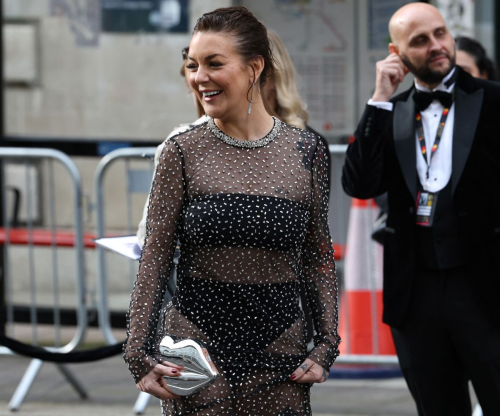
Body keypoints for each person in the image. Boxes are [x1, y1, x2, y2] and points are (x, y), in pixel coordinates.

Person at [124, 6, 340, 416]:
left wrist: (327, 344)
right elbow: (153, 257)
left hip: (280, 349)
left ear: (254, 68)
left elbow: (317, 255)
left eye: (213, 63)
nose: (198, 77)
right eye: (192, 65)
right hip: (198, 349)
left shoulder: (306, 151)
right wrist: (139, 353)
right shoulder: (182, 152)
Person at [342, 3, 500, 415]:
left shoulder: (494, 101)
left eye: (440, 33)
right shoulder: (389, 112)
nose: (436, 46)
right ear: (397, 53)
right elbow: (359, 183)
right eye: (419, 40)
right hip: (416, 296)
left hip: (485, 289)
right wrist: (378, 98)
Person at [137, 48, 208, 247]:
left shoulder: (182, 143)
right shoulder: (295, 139)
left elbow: (150, 239)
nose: (199, 80)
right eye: (193, 69)